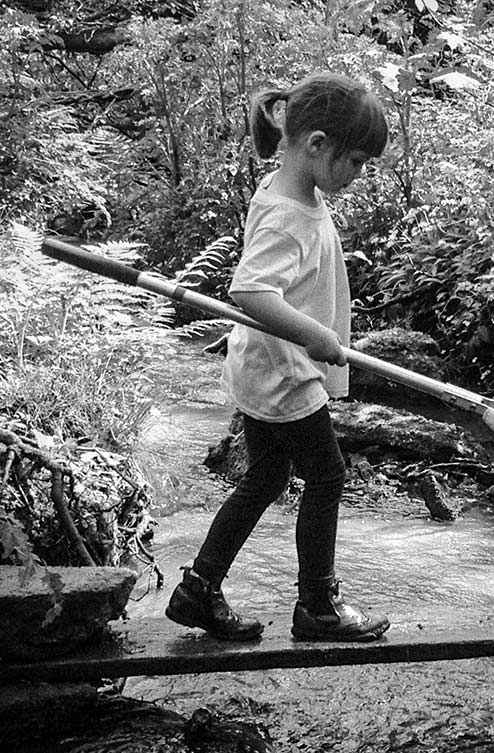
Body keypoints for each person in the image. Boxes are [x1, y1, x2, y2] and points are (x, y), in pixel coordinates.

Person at [165, 73, 390, 642]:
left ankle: (198, 589)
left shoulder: (290, 192)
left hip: (266, 365)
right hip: (286, 372)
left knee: (265, 477)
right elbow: (250, 290)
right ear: (315, 144)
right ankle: (317, 605)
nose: (359, 173)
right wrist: (314, 333)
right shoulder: (290, 215)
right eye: (357, 160)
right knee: (327, 475)